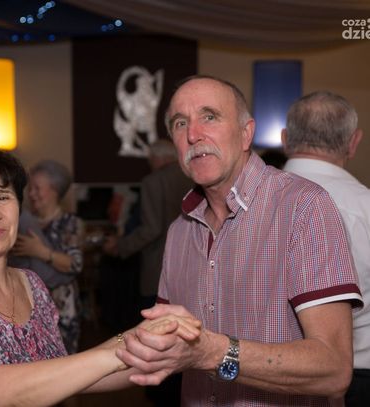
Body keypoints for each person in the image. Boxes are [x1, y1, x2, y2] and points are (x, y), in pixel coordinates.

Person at [115, 75, 363, 406]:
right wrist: (56, 371)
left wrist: (212, 353)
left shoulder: (302, 206)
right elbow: (151, 347)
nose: (192, 134)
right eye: (180, 123)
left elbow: (333, 369)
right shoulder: (180, 231)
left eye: (210, 116)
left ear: (246, 133)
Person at [0, 144, 200, 406]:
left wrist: (153, 342)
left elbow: (66, 374)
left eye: (3, 197)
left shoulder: (31, 284)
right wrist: (116, 350)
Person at [282, 91, 370, 407]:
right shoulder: (365, 207)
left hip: (261, 373)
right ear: (353, 142)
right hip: (358, 377)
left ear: (285, 139)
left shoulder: (247, 201)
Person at [103, 138, 193, 406]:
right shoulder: (192, 175)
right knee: (184, 332)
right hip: (191, 268)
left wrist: (120, 246)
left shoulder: (154, 181)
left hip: (158, 269)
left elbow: (151, 229)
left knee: (155, 333)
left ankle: (158, 391)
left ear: (157, 158)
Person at [10, 159, 83, 354]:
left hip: (61, 306)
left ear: (55, 190)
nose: (31, 194)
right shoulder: (23, 222)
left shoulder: (69, 223)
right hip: (26, 305)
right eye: (30, 188)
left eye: (37, 188)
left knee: (64, 362)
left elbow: (75, 264)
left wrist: (40, 251)